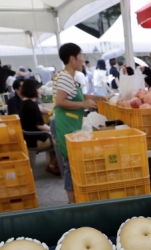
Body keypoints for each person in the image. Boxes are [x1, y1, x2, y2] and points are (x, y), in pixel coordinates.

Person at [53, 43, 103, 204]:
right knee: (70, 165)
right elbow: (60, 101)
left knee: (73, 163)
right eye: (80, 56)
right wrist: (83, 105)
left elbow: (80, 96)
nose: (83, 59)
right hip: (65, 125)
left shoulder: (71, 77)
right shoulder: (65, 76)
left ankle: (74, 201)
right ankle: (72, 203)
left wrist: (101, 98)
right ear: (72, 58)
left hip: (71, 124)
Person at [19, 79, 59, 175]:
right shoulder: (31, 106)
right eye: (39, 89)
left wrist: (53, 111)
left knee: (54, 135)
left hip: (28, 138)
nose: (41, 91)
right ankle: (52, 165)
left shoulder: (25, 103)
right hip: (36, 140)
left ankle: (51, 163)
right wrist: (54, 130)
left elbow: (41, 109)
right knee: (63, 140)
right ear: (33, 90)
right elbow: (40, 126)